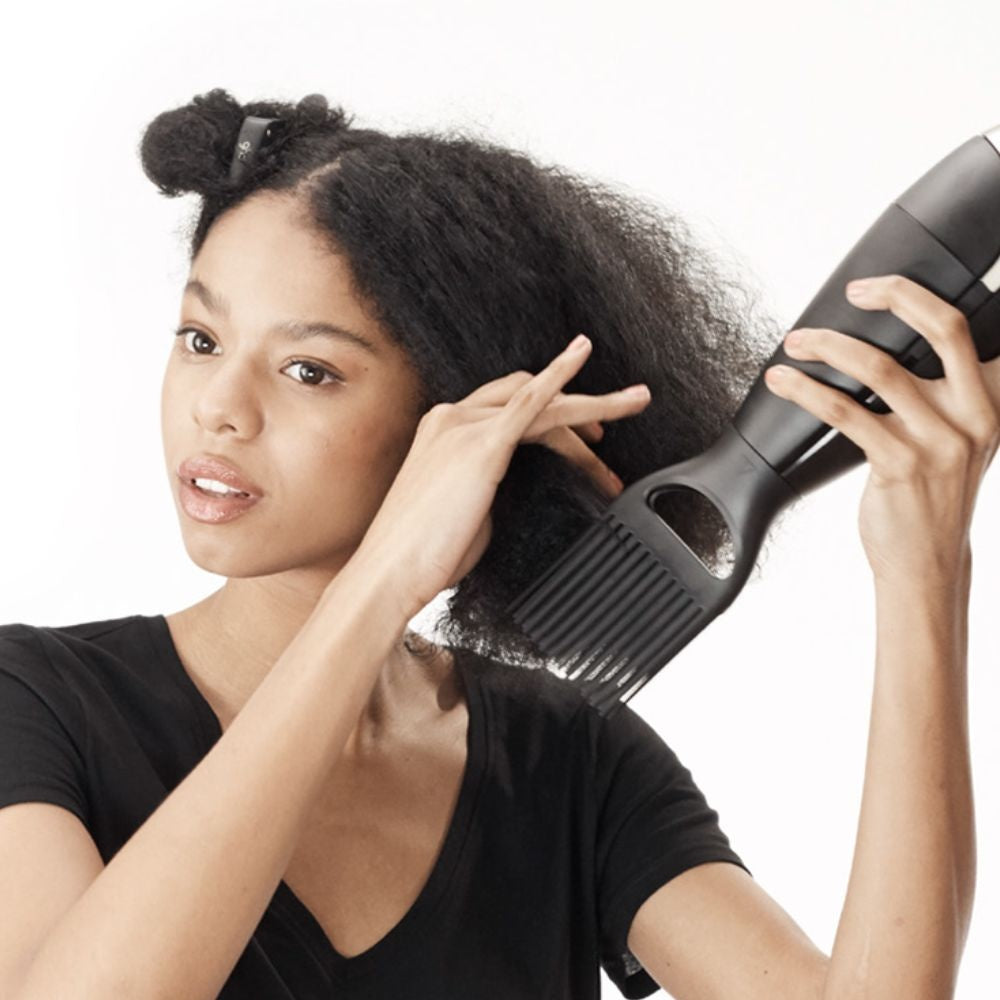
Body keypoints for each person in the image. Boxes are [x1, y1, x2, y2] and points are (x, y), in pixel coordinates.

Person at [0, 89, 994, 999]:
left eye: (309, 370)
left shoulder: (568, 760)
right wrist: (380, 584)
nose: (218, 407)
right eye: (201, 339)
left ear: (468, 415)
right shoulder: (36, 702)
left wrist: (924, 565)